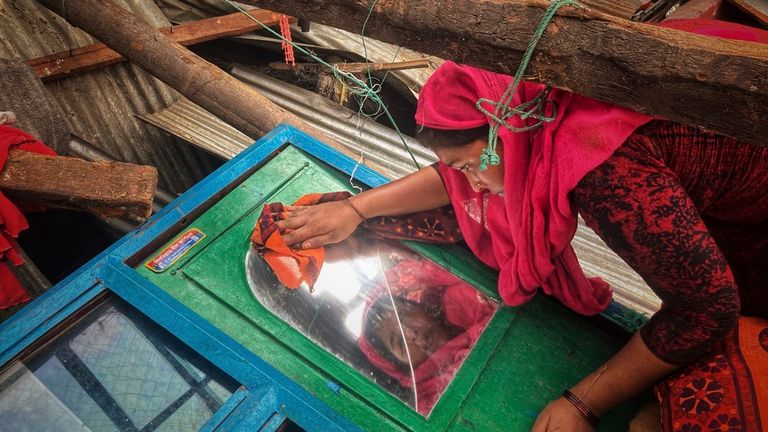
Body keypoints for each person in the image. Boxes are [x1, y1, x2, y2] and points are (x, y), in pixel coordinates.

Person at [276, 19, 768, 431]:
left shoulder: (603, 174)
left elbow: (707, 307)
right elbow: (454, 176)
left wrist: (582, 403)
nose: (469, 183)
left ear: (504, 133)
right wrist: (358, 210)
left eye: (470, 165)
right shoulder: (545, 107)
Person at [359, 258, 496, 415]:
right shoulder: (433, 406)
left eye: (404, 316)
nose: (412, 334)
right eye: (400, 343)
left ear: (418, 305)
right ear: (402, 367)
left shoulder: (463, 296)